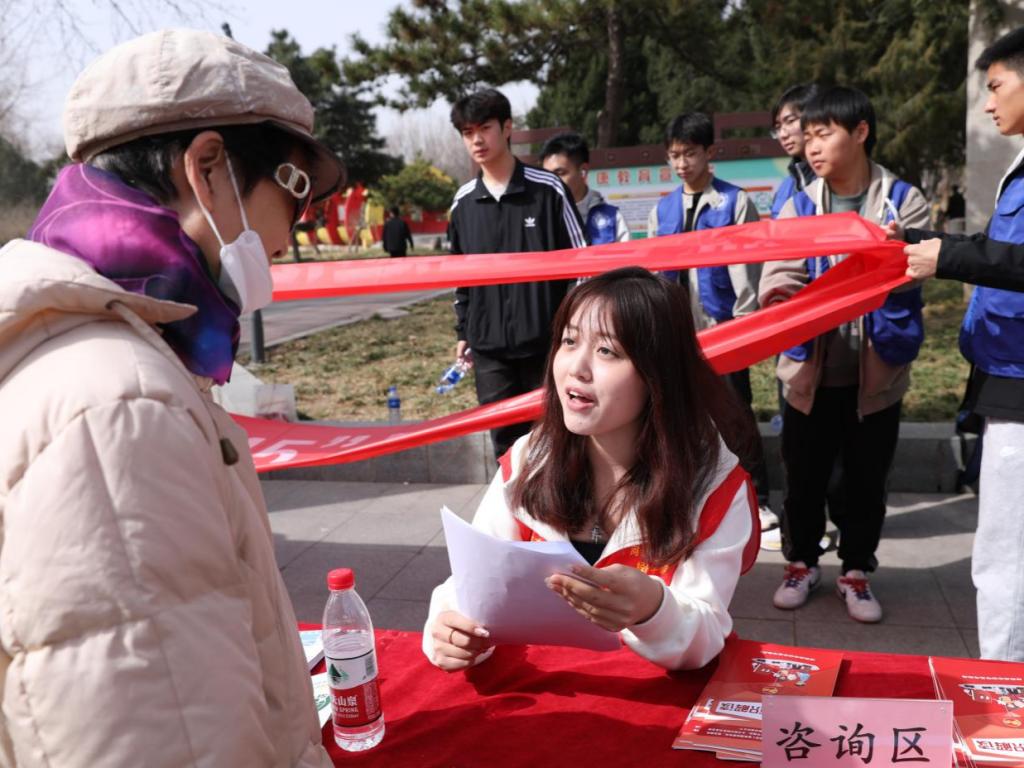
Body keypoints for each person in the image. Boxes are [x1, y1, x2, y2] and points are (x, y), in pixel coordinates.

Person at [0, 29, 343, 766]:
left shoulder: (110, 349)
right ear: (208, 167)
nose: (295, 232)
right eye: (295, 192)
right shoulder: (120, 407)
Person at [423, 267, 758, 672]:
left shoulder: (714, 486)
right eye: (569, 341)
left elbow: (705, 636)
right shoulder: (528, 459)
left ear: (659, 373)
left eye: (607, 351)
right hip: (540, 692)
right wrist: (448, 628)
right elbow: (473, 585)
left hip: (658, 697)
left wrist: (653, 608)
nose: (576, 368)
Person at [761, 85, 930, 623]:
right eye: (806, 135)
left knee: (865, 480)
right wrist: (786, 302)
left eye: (823, 134)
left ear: (859, 132)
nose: (812, 146)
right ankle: (801, 563)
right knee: (803, 478)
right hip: (807, 374)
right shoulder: (798, 204)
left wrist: (893, 255)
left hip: (875, 377)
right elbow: (779, 274)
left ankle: (856, 571)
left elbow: (916, 270)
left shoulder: (902, 200)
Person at [891, 26, 1024, 661]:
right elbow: (998, 250)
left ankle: (1007, 691)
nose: (988, 104)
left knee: (1006, 556)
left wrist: (947, 259)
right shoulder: (1018, 168)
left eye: (996, 86)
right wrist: (916, 242)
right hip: (1006, 377)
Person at [645, 112, 773, 534]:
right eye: (674, 155)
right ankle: (691, 498)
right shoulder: (663, 208)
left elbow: (749, 268)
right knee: (678, 415)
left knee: (734, 413)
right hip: (677, 331)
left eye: (690, 154)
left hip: (724, 327)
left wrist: (745, 325)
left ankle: (758, 497)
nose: (682, 163)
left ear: (709, 152)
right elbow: (654, 268)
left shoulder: (734, 202)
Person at [448, 88, 587, 460]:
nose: (477, 140)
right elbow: (459, 277)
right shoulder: (463, 202)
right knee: (506, 448)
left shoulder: (548, 190)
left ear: (507, 128)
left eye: (485, 128)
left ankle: (561, 501)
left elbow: (583, 265)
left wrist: (571, 331)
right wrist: (464, 332)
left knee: (558, 442)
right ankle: (512, 500)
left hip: (547, 346)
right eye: (467, 132)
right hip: (489, 351)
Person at [539, 131, 630, 244]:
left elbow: (628, 255)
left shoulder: (612, 218)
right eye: (547, 176)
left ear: (583, 171)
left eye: (559, 173)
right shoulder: (540, 219)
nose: (551, 182)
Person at [770, 84, 820, 219]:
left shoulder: (838, 180)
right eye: (778, 127)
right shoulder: (784, 189)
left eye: (790, 121)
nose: (782, 134)